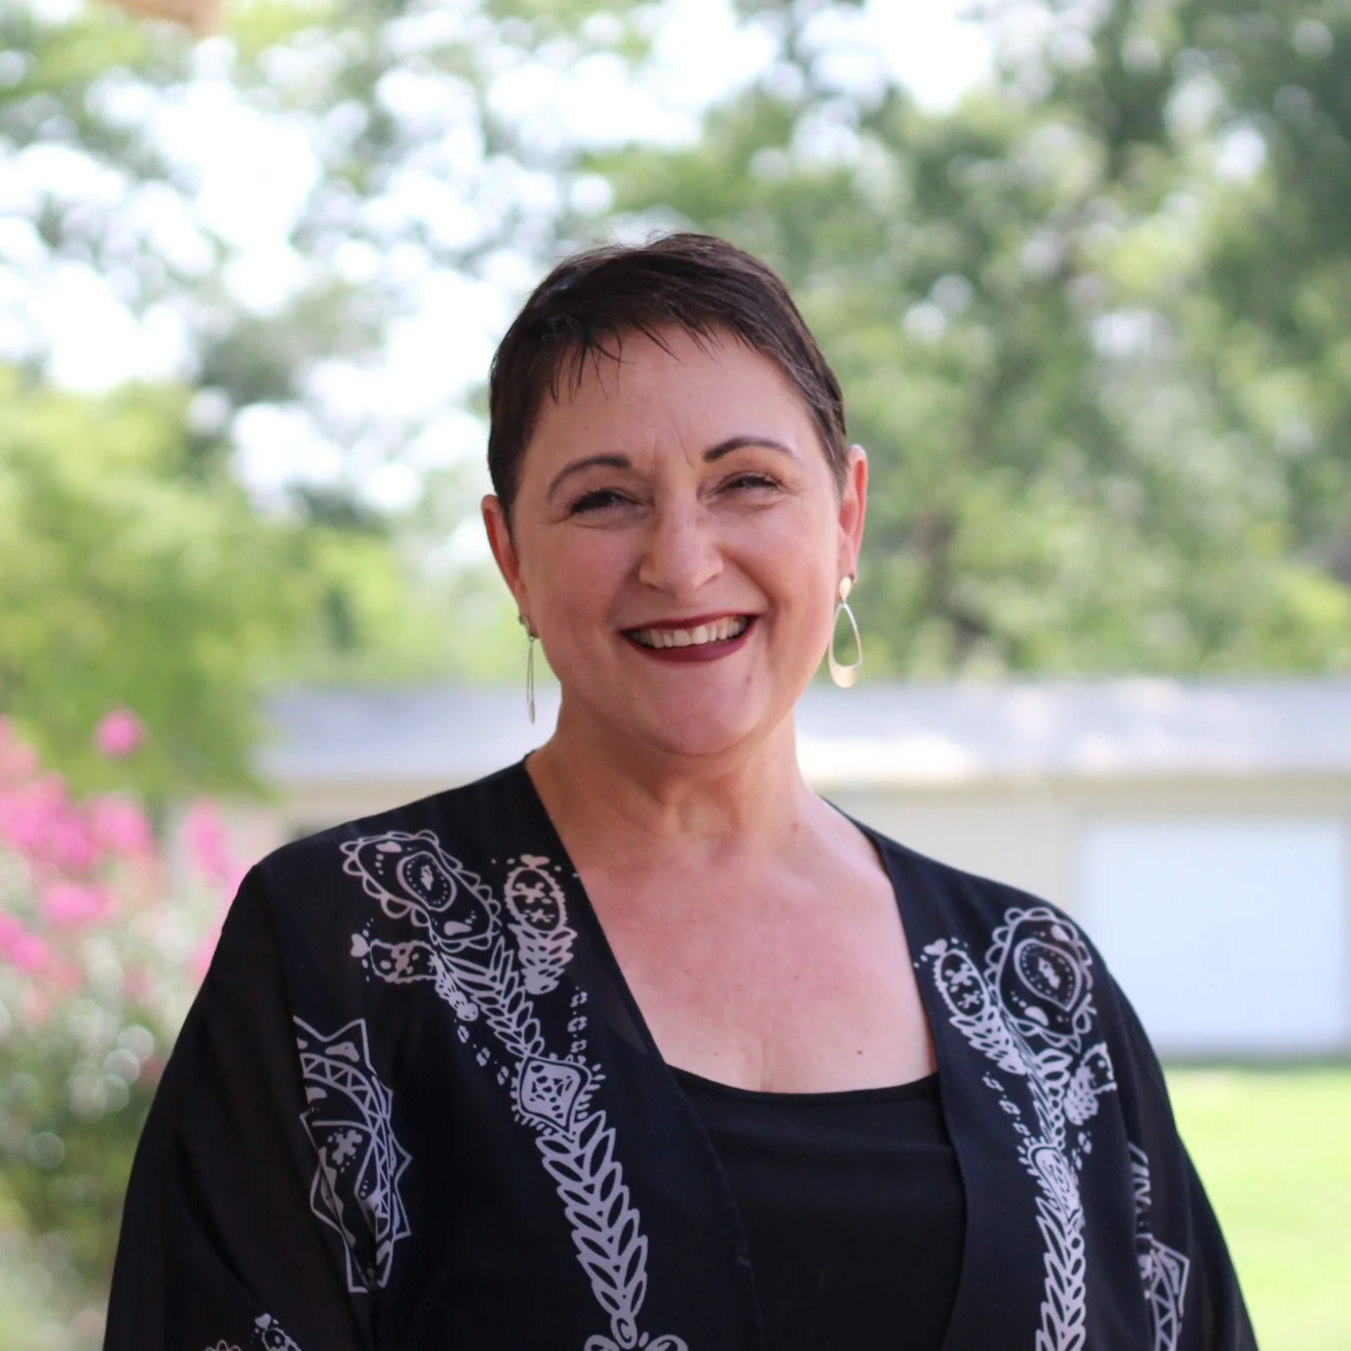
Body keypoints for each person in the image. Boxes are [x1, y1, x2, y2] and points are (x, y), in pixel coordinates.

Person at [104, 233, 1257, 1351]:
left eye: (746, 481)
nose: (683, 560)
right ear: (512, 558)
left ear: (845, 518)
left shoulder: (1034, 988)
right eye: (604, 499)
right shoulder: (343, 948)